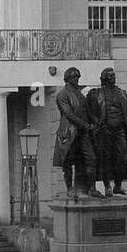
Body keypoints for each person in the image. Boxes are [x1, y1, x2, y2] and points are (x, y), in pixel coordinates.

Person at [87, 67, 127, 196]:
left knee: (122, 158)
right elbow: (91, 112)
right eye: (110, 76)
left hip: (120, 131)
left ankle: (118, 185)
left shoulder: (122, 93)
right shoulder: (96, 94)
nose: (113, 78)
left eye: (114, 75)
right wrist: (97, 126)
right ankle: (107, 186)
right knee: (106, 159)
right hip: (105, 131)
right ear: (105, 78)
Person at [52, 66, 99, 199]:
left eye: (78, 76)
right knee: (68, 161)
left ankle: (92, 188)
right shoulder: (62, 94)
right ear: (67, 78)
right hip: (69, 132)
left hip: (83, 132)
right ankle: (70, 189)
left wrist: (93, 123)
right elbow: (68, 114)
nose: (76, 79)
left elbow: (86, 111)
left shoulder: (80, 93)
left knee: (91, 158)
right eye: (74, 77)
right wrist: (84, 125)